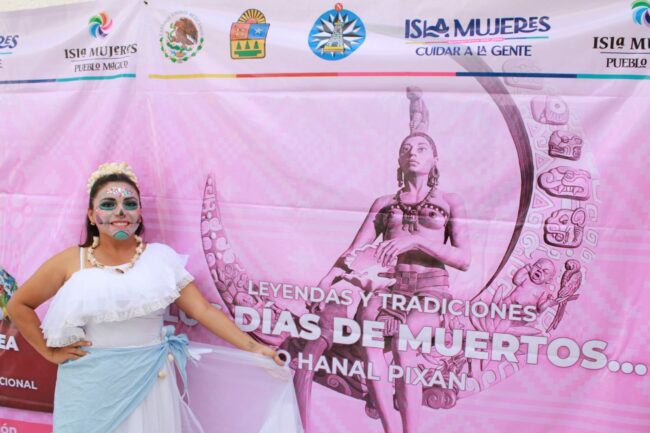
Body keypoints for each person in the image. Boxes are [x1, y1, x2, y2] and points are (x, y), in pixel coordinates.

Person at [7, 162, 284, 433]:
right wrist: (48, 352)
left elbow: (203, 311)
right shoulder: (70, 261)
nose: (120, 211)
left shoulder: (161, 259)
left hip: (150, 380)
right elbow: (19, 304)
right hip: (89, 385)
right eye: (108, 204)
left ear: (139, 213)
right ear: (91, 215)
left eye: (129, 204)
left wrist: (253, 347)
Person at [310, 132, 471, 433]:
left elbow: (464, 258)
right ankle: (389, 429)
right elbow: (354, 250)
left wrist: (417, 242)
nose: (413, 153)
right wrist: (328, 278)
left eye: (421, 148)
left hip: (430, 286)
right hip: (388, 286)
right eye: (406, 149)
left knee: (404, 343)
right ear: (398, 159)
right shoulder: (384, 203)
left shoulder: (450, 201)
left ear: (435, 159)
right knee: (369, 342)